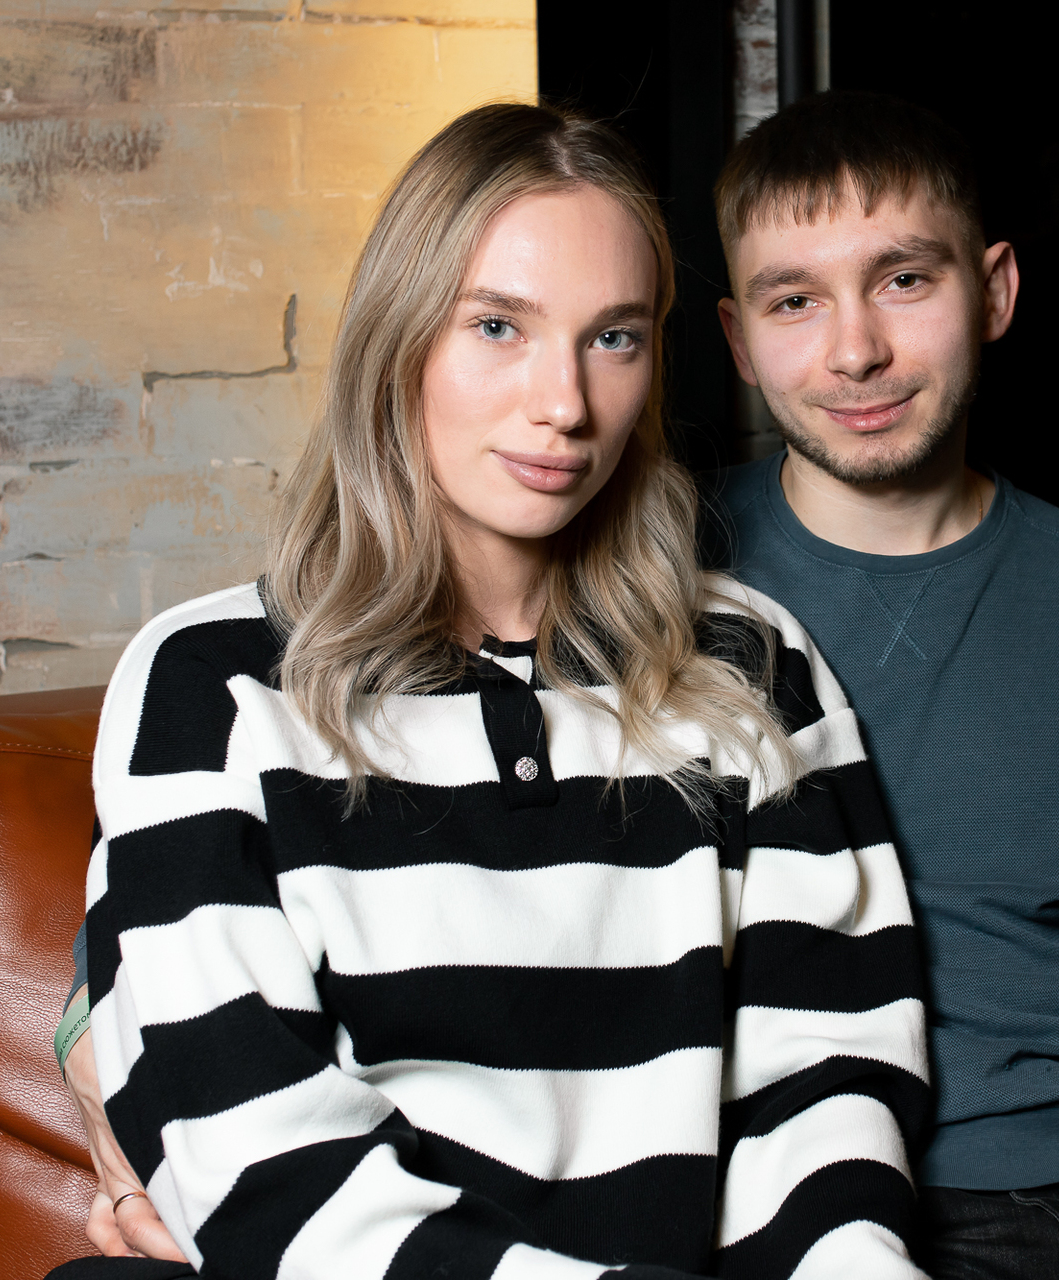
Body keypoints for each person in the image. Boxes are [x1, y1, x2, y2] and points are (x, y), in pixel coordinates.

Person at [48, 101, 930, 1280]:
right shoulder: (210, 685)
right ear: (398, 337)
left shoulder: (750, 661)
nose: (564, 402)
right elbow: (264, 1166)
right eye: (499, 325)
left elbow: (829, 1083)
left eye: (614, 337)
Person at [699, 92, 1059, 1280]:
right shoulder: (657, 574)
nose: (855, 349)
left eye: (904, 279)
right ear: (739, 341)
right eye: (796, 301)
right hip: (792, 1196)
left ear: (995, 291)